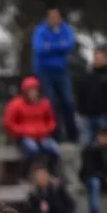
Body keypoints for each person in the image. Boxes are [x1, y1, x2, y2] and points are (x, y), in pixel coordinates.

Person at [32, 8, 79, 142]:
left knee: (68, 101)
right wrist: (59, 46)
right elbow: (39, 48)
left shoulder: (66, 30)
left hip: (62, 70)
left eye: (57, 17)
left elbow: (69, 46)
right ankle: (54, 135)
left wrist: (50, 46)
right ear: (47, 19)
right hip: (44, 71)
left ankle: (73, 135)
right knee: (51, 103)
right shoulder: (40, 31)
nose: (54, 20)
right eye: (51, 17)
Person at [3, 77, 61, 173]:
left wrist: (47, 129)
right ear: (25, 92)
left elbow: (52, 120)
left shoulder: (45, 103)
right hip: (25, 136)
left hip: (42, 134)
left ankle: (52, 172)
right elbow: (8, 123)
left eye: (35, 90)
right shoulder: (16, 104)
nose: (33, 93)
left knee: (55, 151)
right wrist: (22, 131)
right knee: (32, 150)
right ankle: (25, 173)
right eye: (30, 90)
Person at [76, 48, 107, 146]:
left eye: (100, 58)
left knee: (104, 146)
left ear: (106, 59)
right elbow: (81, 94)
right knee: (87, 144)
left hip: (104, 117)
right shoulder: (88, 76)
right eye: (96, 58)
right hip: (88, 117)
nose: (97, 60)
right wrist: (81, 111)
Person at [81, 127, 107, 213]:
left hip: (104, 179)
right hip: (91, 178)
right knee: (94, 182)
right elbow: (89, 170)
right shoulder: (90, 149)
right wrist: (104, 177)